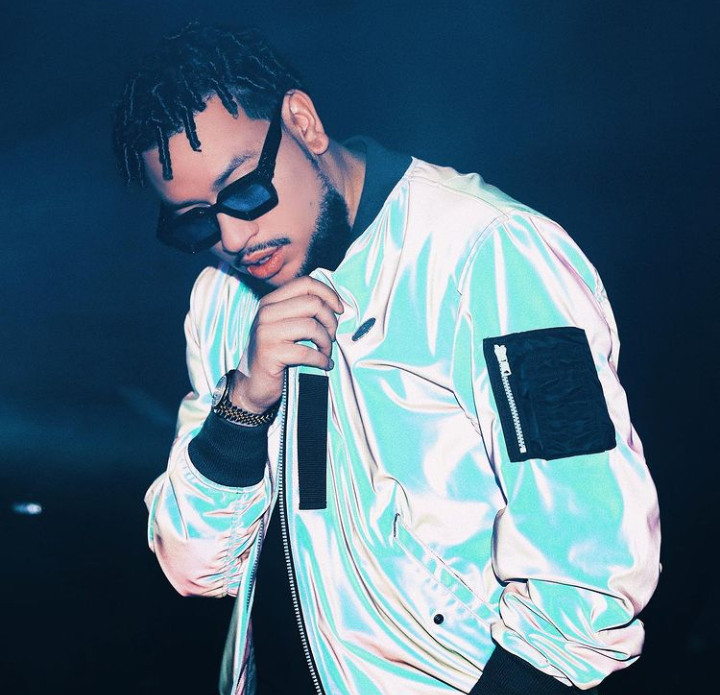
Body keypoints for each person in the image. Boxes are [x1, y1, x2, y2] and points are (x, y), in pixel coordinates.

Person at [113, 22, 661, 695]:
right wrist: (244, 404)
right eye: (194, 220)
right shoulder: (223, 299)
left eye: (245, 190)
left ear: (303, 123)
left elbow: (590, 562)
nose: (231, 235)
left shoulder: (492, 255)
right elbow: (197, 568)